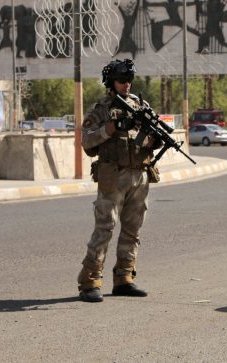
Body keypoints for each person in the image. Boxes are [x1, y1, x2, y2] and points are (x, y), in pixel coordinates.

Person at [76, 58, 160, 303]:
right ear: (111, 82)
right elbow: (87, 142)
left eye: (130, 81)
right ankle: (90, 281)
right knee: (105, 229)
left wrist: (153, 140)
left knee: (132, 231)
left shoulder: (140, 106)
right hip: (113, 176)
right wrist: (110, 129)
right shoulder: (101, 110)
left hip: (139, 175)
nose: (127, 85)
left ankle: (124, 278)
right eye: (122, 80)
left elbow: (148, 136)